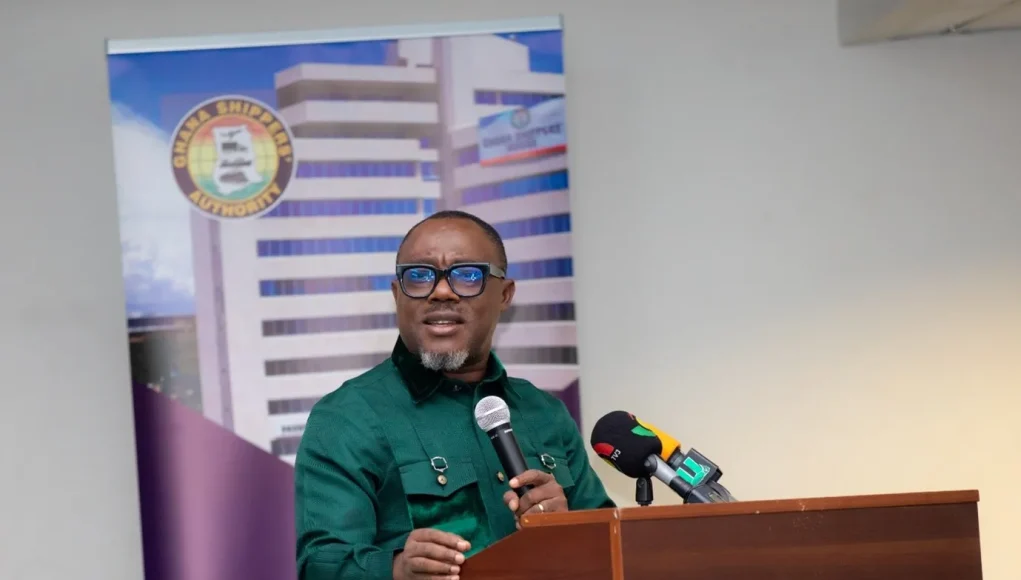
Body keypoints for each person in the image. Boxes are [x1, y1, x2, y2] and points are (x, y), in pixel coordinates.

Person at [294, 210, 615, 580]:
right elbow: (320, 566)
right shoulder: (347, 417)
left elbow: (612, 547)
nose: (441, 291)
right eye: (419, 276)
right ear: (397, 295)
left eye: (467, 275)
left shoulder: (544, 412)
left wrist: (569, 529)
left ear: (505, 294)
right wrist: (397, 569)